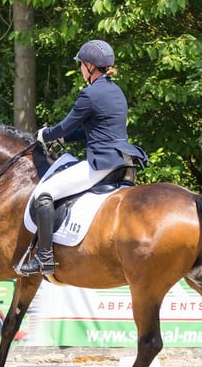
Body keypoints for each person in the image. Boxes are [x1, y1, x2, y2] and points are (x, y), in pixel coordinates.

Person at [18, 39, 148, 276]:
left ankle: (44, 258)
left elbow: (64, 126)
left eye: (81, 65)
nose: (80, 69)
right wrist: (64, 141)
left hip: (101, 163)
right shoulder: (116, 91)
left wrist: (44, 135)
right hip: (123, 161)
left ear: (89, 66)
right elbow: (94, 130)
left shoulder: (89, 95)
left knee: (43, 194)